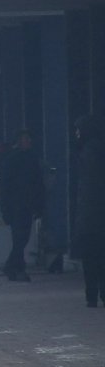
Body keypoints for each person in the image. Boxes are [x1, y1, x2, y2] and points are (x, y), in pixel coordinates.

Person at [0, 129, 45, 282]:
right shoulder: (12, 160)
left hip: (25, 205)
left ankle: (12, 267)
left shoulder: (31, 159)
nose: (29, 141)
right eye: (26, 139)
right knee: (20, 238)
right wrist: (5, 208)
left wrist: (39, 205)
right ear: (19, 141)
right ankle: (18, 268)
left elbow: (38, 184)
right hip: (16, 206)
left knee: (22, 238)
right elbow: (5, 187)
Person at [71, 114, 105, 307]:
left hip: (90, 216)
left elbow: (88, 188)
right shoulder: (98, 149)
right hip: (98, 215)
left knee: (90, 258)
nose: (76, 134)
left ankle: (91, 295)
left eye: (78, 130)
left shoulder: (88, 152)